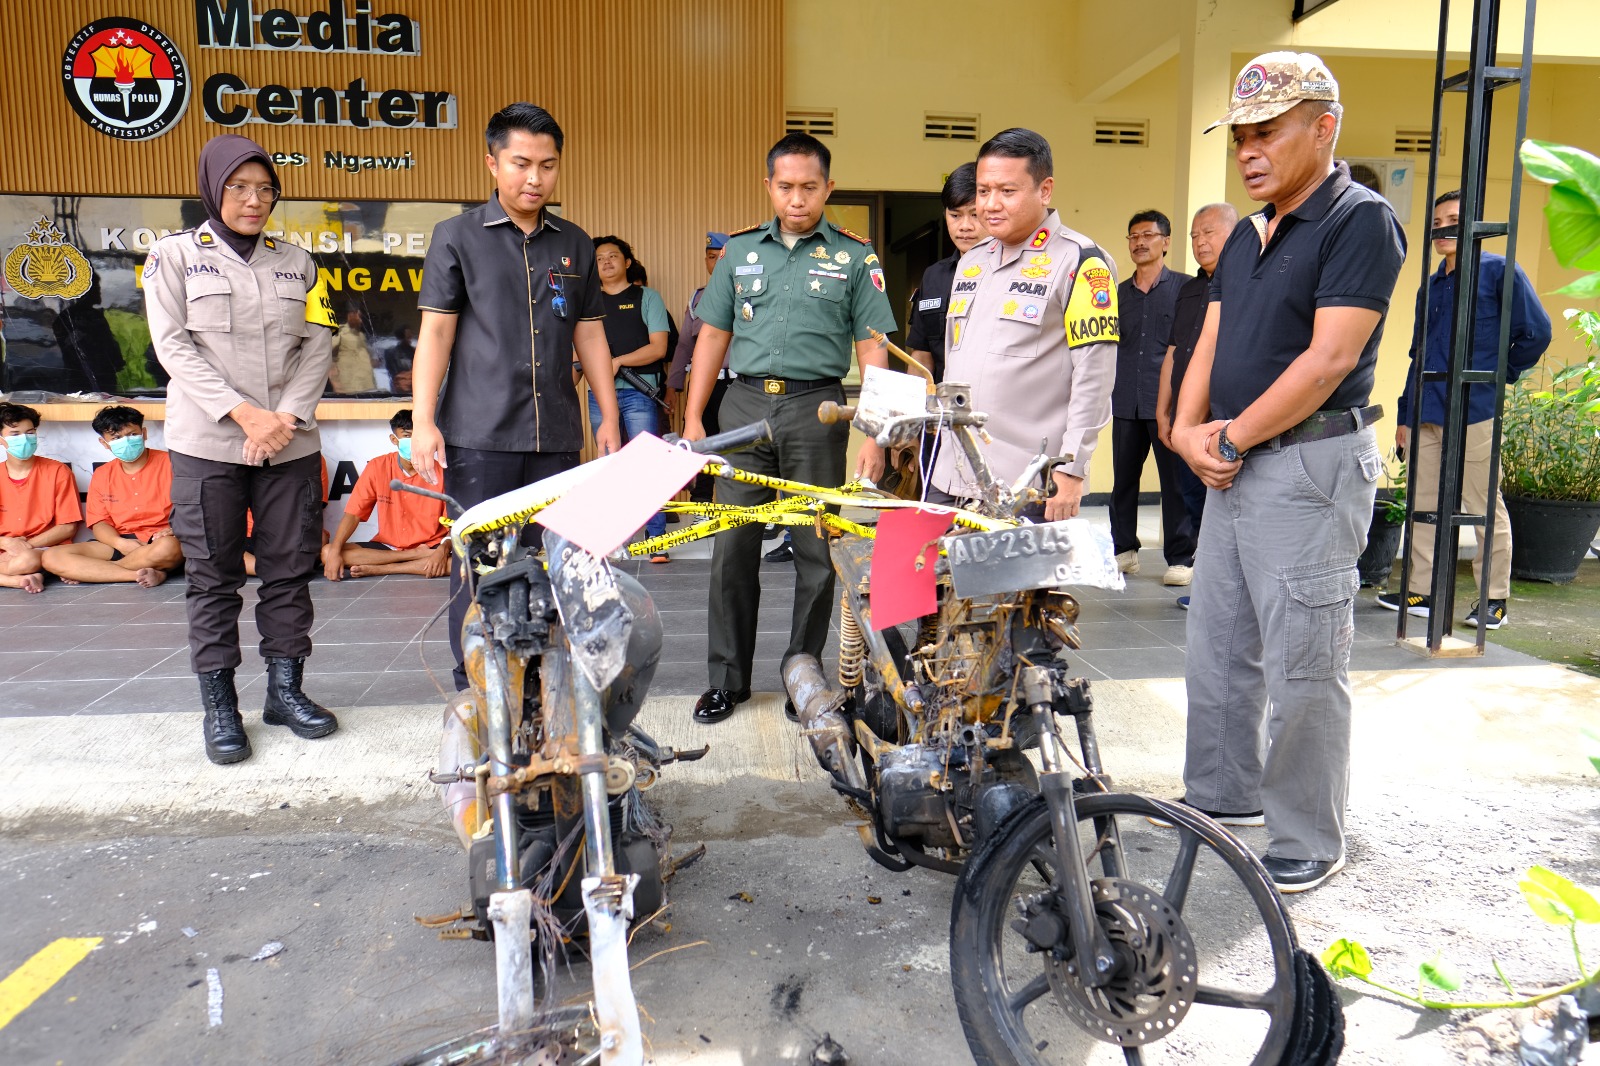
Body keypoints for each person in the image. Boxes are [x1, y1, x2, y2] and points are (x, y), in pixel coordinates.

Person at [1170, 53, 1406, 892]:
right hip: (1235, 463)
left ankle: (1306, 831)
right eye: (1240, 137)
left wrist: (1226, 440)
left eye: (1267, 132)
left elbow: (1328, 359)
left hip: (1308, 465)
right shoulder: (1246, 231)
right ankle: (1222, 794)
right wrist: (1188, 429)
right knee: (1220, 644)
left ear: (1324, 127)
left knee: (1305, 660)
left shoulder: (1357, 220)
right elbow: (1210, 340)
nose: (1249, 151)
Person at [681, 132, 897, 725]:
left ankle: (802, 669)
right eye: (785, 187)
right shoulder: (740, 253)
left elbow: (873, 351)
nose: (797, 199)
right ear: (769, 186)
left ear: (828, 187)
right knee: (732, 546)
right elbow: (712, 337)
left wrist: (874, 434)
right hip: (744, 409)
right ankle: (727, 679)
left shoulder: (857, 259)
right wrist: (695, 416)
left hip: (817, 412)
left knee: (814, 550)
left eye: (809, 187)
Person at [407, 102, 622, 692]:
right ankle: (476, 687)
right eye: (521, 163)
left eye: (548, 165)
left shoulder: (574, 243)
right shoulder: (457, 237)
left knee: (553, 565)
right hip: (478, 436)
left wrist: (605, 415)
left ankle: (538, 682)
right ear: (492, 163)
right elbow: (437, 332)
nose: (535, 178)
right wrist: (423, 420)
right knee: (480, 569)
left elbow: (589, 334)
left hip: (554, 436)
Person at [144, 132, 340, 766]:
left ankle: (285, 694)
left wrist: (283, 418)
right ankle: (220, 708)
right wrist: (246, 415)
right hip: (209, 444)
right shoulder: (172, 258)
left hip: (288, 444)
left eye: (265, 189)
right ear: (212, 189)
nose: (254, 201)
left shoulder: (302, 262)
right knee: (213, 580)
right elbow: (173, 348)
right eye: (239, 188)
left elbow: (321, 344)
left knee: (288, 573)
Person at [926, 128, 1120, 522]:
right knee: (936, 582)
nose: (990, 205)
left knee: (1012, 586)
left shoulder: (1080, 262)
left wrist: (1071, 469)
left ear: (1044, 190)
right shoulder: (972, 260)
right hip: (951, 474)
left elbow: (1094, 377)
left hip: (1024, 483)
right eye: (983, 191)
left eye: (1007, 191)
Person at [1379, 188, 1551, 630]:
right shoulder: (1432, 285)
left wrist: (1498, 375)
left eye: (1453, 220)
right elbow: (1419, 354)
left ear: (1473, 225)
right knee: (1422, 503)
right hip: (1426, 409)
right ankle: (1422, 590)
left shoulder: (1499, 272)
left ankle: (1492, 600)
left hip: (1475, 409)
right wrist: (1404, 413)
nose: (1443, 230)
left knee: (1481, 505)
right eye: (1437, 224)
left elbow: (1535, 332)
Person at [1156, 202, 1240, 609]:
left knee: (1223, 502)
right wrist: (1164, 410)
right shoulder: (1189, 289)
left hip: (1223, 416)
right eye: (1194, 235)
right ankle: (1207, 586)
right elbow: (1173, 351)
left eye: (1209, 233)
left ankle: (1223, 590)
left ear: (1234, 234)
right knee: (1193, 499)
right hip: (1186, 418)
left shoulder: (1247, 283)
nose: (1200, 242)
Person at [1109, 210, 1194, 584]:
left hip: (1170, 405)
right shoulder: (1116, 296)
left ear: (1166, 241)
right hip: (1126, 399)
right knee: (1123, 480)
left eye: (1148, 235)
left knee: (1174, 482)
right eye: (1133, 236)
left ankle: (1181, 558)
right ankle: (1123, 551)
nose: (1140, 242)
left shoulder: (1186, 290)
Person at [587, 235, 672, 561]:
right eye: (599, 258)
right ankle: (612, 539)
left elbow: (659, 348)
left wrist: (619, 361)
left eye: (613, 256)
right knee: (607, 465)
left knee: (645, 465)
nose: (606, 262)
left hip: (640, 392)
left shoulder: (646, 297)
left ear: (626, 262)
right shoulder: (589, 301)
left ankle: (655, 540)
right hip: (599, 395)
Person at [41, 405, 182, 587]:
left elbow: (192, 509)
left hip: (159, 540)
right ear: (104, 443)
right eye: (116, 438)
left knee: (169, 548)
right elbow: (100, 523)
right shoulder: (102, 474)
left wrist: (175, 530)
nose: (126, 442)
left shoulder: (172, 464)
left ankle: (97, 572)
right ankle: (141, 574)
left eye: (132, 435)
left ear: (144, 433)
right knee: (52, 557)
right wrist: (120, 543)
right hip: (118, 542)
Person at [323, 409, 449, 580]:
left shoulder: (442, 472)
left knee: (461, 563)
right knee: (327, 551)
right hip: (390, 547)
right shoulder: (378, 466)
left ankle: (381, 569)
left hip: (430, 546)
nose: (414, 442)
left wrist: (442, 550)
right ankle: (413, 558)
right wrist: (335, 552)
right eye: (407, 436)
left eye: (418, 436)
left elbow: (454, 525)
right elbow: (353, 514)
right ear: (393, 440)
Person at [906, 162, 987, 384]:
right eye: (955, 215)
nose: (965, 226)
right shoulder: (933, 276)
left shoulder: (1014, 274)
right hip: (945, 411)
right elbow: (922, 355)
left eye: (975, 215)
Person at [0, 402, 81, 594]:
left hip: (42, 548)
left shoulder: (58, 471)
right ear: (1, 439)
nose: (25, 439)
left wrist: (26, 546)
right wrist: (6, 543)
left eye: (30, 432)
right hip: (5, 546)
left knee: (28, 560)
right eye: (15, 434)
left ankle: (18, 576)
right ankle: (20, 580)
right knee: (22, 562)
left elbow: (68, 527)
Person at [667, 232, 733, 432]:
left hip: (737, 385)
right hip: (702, 384)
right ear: (706, 261)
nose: (717, 262)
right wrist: (673, 386)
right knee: (703, 447)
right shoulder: (697, 297)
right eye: (712, 257)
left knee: (739, 447)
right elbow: (685, 345)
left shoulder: (747, 295)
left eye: (722, 257)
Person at [330, 308, 377, 394]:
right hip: (349, 386)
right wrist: (335, 383)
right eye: (358, 317)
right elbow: (328, 357)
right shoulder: (340, 332)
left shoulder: (361, 335)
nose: (360, 321)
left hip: (366, 385)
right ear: (350, 315)